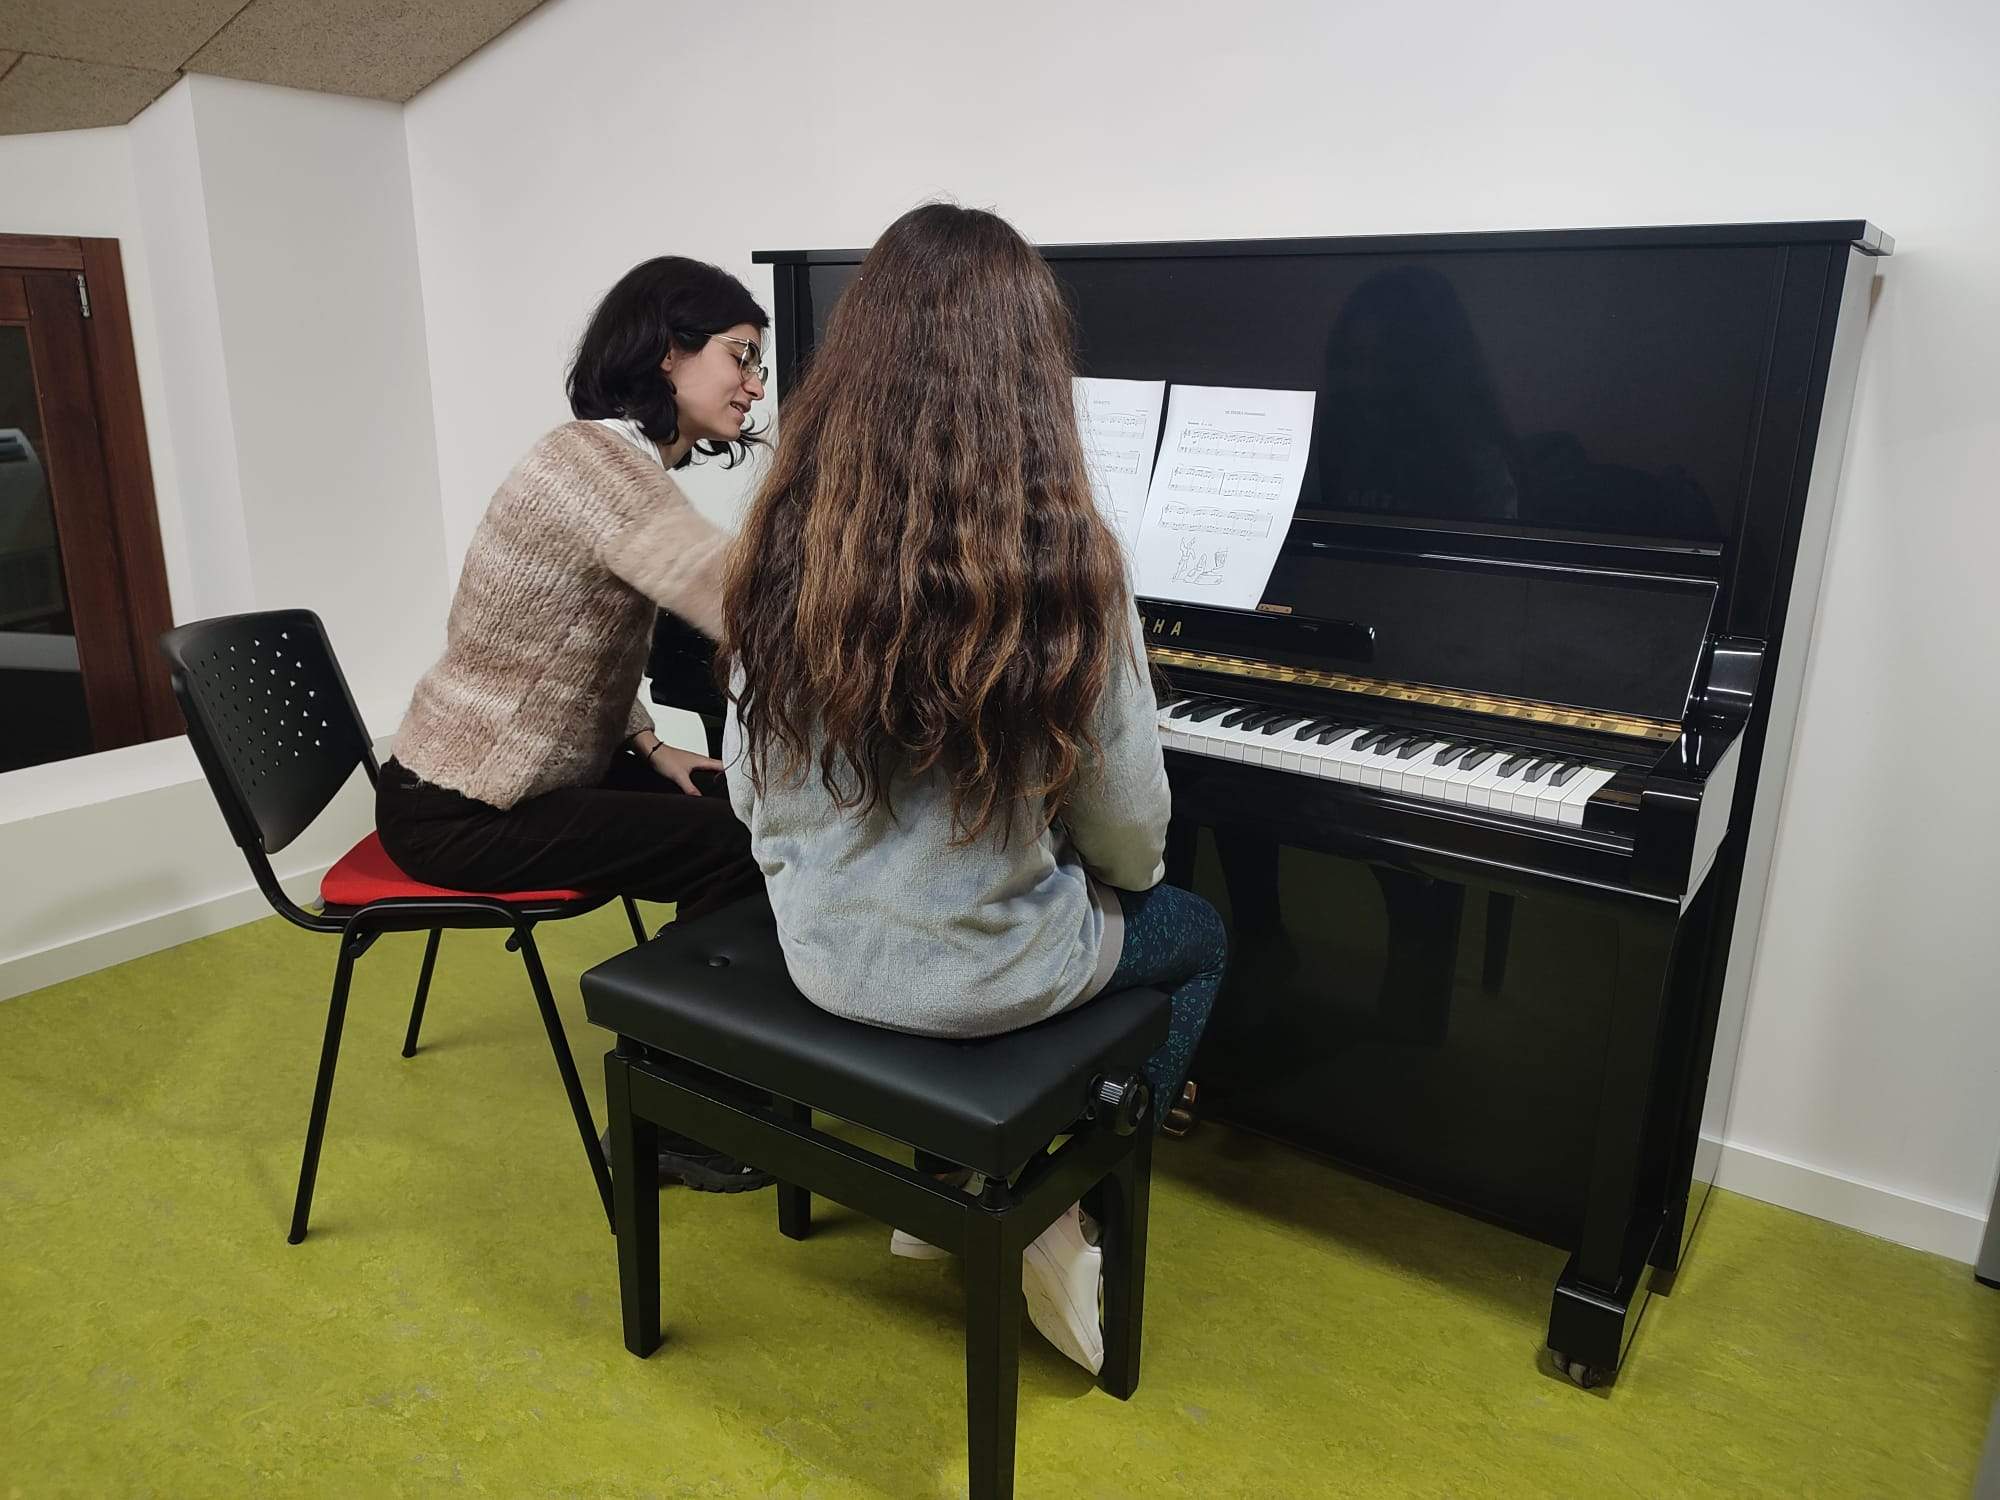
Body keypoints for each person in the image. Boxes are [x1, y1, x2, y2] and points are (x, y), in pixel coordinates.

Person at [719, 205, 1227, 1373]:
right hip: (985, 976)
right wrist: (1102, 878)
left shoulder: (785, 538)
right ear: (1032, 379)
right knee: (1197, 932)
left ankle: (960, 1168)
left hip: (817, 948)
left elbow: (751, 793)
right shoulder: (1066, 564)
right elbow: (1129, 834)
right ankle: (1067, 1198)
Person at [378, 256, 773, 1192]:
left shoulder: (599, 458)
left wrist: (648, 743)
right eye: (741, 356)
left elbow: (558, 638)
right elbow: (740, 604)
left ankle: (699, 1072)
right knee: (738, 846)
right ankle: (671, 1118)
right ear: (670, 351)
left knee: (728, 805)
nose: (756, 386)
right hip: (464, 809)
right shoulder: (598, 470)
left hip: (507, 775)